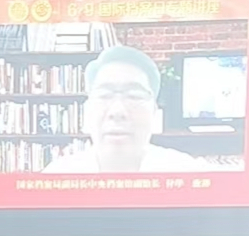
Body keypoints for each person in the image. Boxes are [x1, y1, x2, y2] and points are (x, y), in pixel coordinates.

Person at [41, 45, 224, 174]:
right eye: (104, 95)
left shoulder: (187, 173)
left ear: (154, 112)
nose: (117, 111)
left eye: (134, 96)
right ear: (87, 111)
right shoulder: (56, 177)